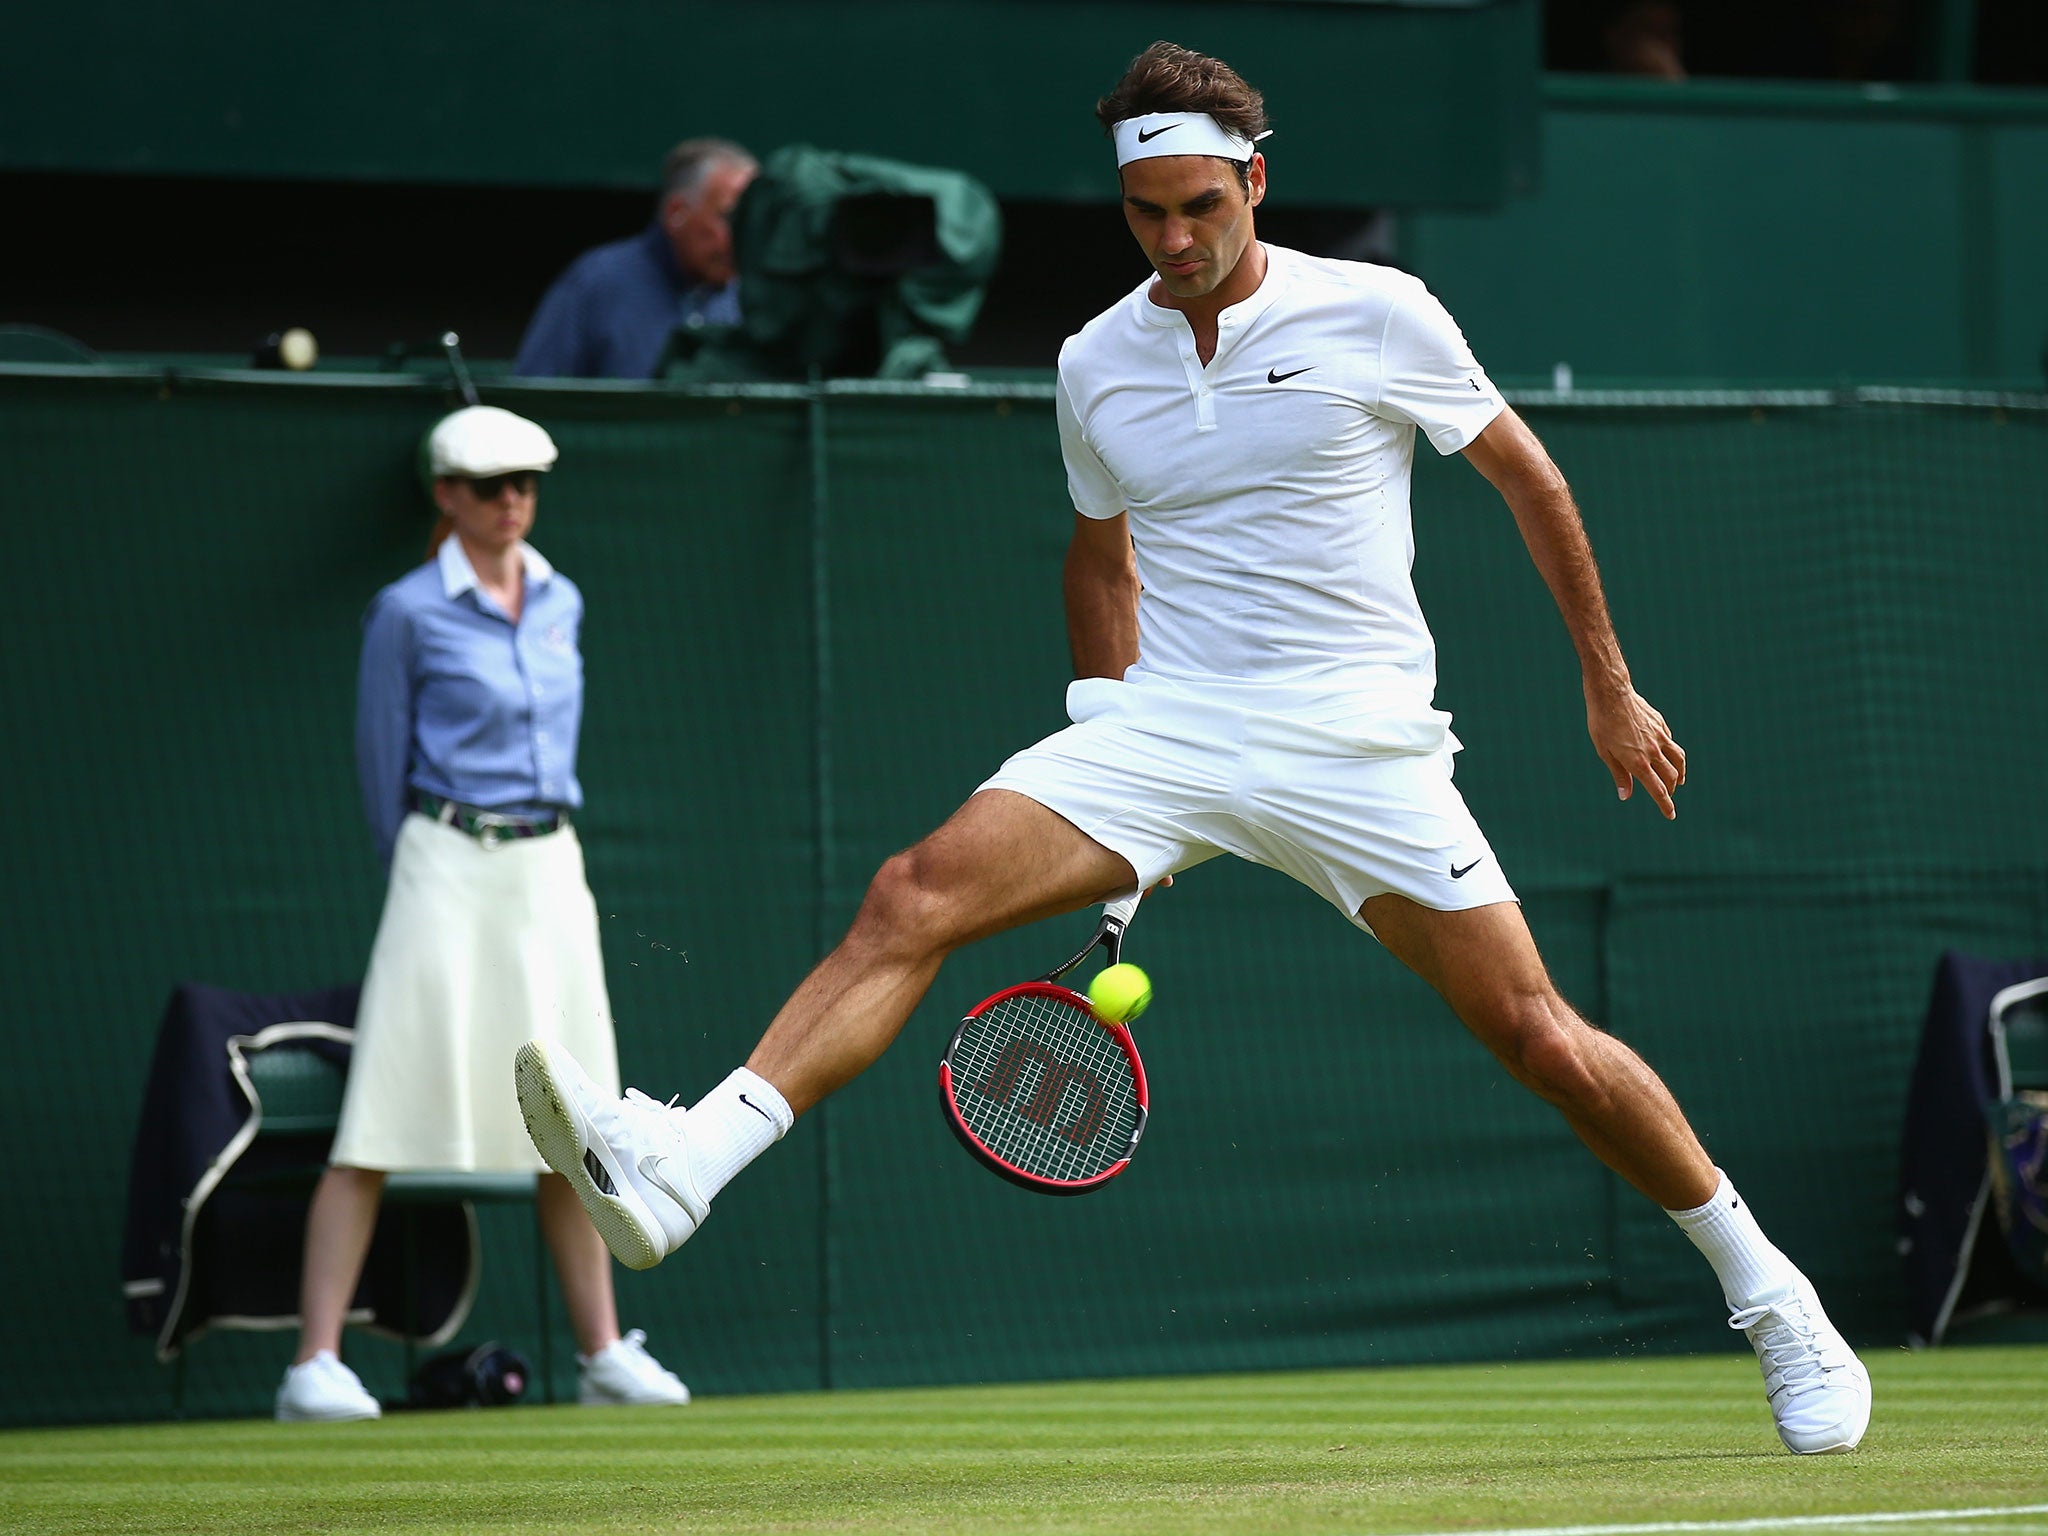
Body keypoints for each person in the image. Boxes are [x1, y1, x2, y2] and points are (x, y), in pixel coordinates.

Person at [512, 43, 1873, 1455]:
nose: (1175, 239)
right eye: (1147, 213)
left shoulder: (1383, 312)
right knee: (912, 893)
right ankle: (685, 1168)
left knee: (1540, 1039)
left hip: (1357, 743)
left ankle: (1772, 1298)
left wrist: (1606, 681)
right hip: (1168, 725)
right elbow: (1100, 558)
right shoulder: (1097, 360)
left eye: (1201, 207)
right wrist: (1113, 734)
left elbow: (1531, 478)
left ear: (1256, 182)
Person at [275, 405, 690, 1420]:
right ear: (447, 495)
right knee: (378, 1115)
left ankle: (600, 1356)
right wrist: (425, 866)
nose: (514, 501)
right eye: (492, 484)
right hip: (441, 863)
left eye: (526, 484)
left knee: (575, 1116)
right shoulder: (406, 612)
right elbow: (382, 767)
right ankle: (312, 1367)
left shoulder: (563, 600)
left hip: (551, 869)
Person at [513, 138, 758, 379]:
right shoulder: (596, 282)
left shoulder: (757, 297)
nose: (745, 238)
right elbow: (534, 396)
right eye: (731, 218)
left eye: (754, 220)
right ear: (677, 213)